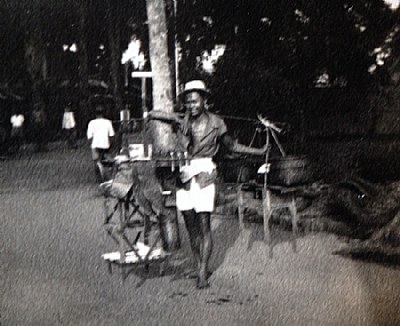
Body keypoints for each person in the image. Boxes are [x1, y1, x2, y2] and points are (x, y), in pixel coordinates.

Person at [149, 80, 267, 289]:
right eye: (188, 103)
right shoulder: (183, 121)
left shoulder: (216, 123)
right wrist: (153, 114)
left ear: (204, 100)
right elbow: (162, 115)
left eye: (195, 101)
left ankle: (202, 270)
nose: (191, 106)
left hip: (205, 174)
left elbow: (231, 146)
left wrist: (258, 152)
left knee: (203, 225)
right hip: (184, 175)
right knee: (190, 225)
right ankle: (198, 263)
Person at [87, 104, 115, 182]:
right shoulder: (108, 122)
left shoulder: (91, 123)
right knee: (107, 161)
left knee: (96, 161)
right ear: (104, 113)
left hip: (95, 145)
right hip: (105, 144)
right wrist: (110, 144)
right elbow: (111, 135)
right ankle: (108, 176)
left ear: (95, 114)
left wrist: (91, 144)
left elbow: (89, 136)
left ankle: (98, 178)